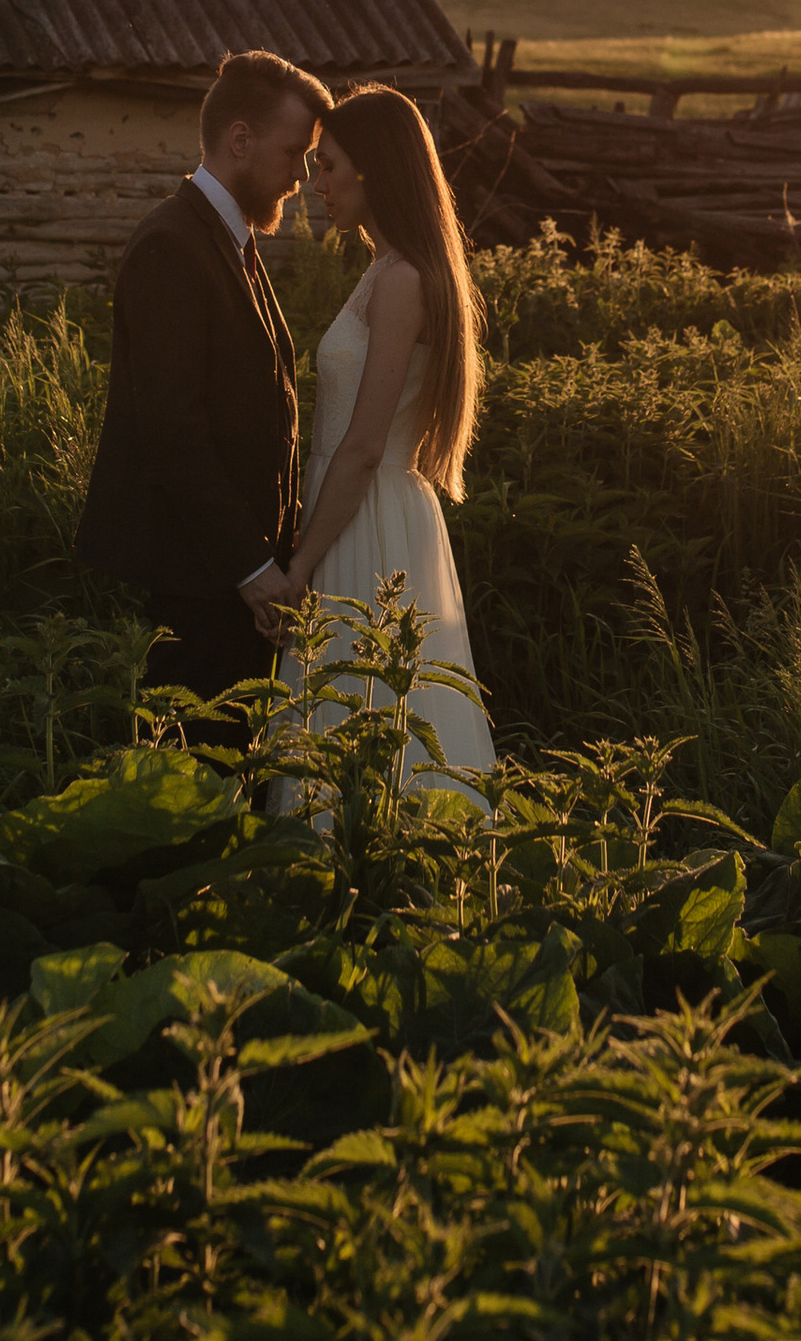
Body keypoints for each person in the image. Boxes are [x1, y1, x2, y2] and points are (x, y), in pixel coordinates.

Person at [76, 49, 330, 712]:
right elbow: (172, 432)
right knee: (193, 784)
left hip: (232, 582)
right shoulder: (172, 245)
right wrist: (252, 571)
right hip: (192, 585)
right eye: (293, 152)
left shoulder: (229, 240)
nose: (301, 176)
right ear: (239, 140)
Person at [273, 83, 495, 798]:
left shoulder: (401, 280)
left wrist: (300, 564)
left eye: (330, 165)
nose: (317, 183)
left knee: (359, 722)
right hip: (364, 508)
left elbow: (365, 444)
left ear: (373, 169)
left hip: (364, 519)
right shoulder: (386, 268)